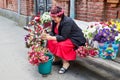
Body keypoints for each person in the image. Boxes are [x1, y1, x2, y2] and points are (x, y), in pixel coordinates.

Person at [41, 6, 86, 74]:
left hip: (75, 39)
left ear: (60, 16)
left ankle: (66, 63)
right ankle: (57, 58)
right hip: (64, 37)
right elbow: (53, 32)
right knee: (50, 41)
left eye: (54, 17)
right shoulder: (55, 21)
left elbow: (63, 37)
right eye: (52, 17)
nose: (53, 19)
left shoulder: (67, 21)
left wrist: (51, 37)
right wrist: (48, 35)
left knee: (61, 45)